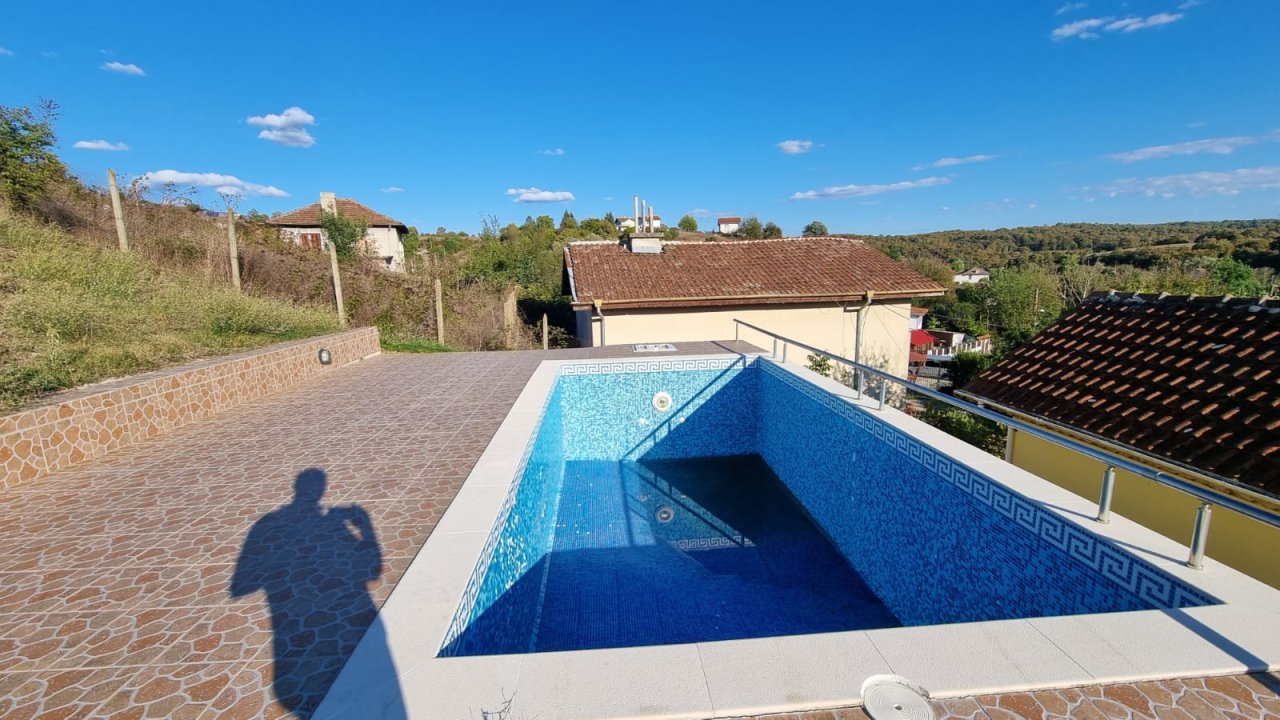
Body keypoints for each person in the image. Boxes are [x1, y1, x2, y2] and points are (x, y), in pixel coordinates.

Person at [231, 468, 391, 716]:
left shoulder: (267, 524)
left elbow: (242, 585)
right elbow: (373, 572)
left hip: (297, 652)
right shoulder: (331, 525)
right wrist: (365, 526)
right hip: (337, 629)